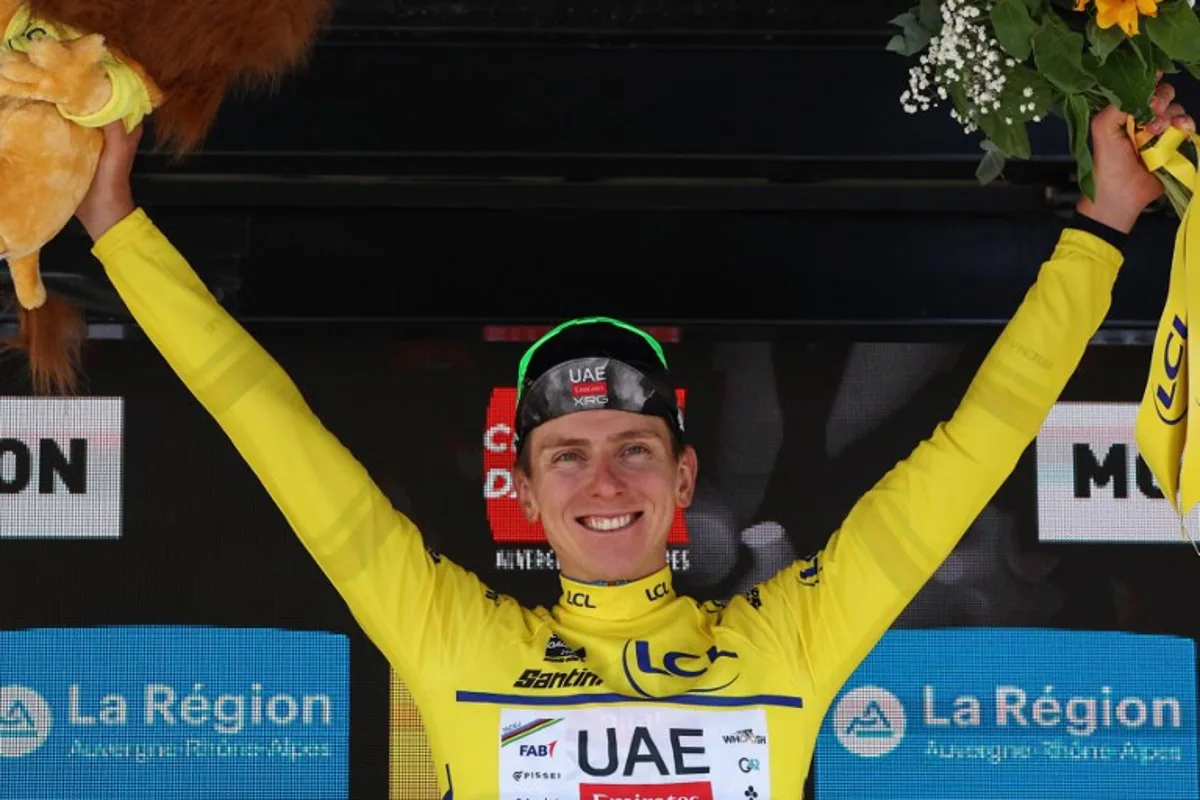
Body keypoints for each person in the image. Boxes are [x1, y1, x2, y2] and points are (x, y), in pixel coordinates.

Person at [74, 85, 1191, 798]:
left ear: (684, 475)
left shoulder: (786, 648)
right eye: (568, 453)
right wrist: (117, 230)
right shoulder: (458, 646)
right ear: (524, 487)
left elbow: (974, 447)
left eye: (635, 448)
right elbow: (269, 428)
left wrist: (1105, 224)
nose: (604, 479)